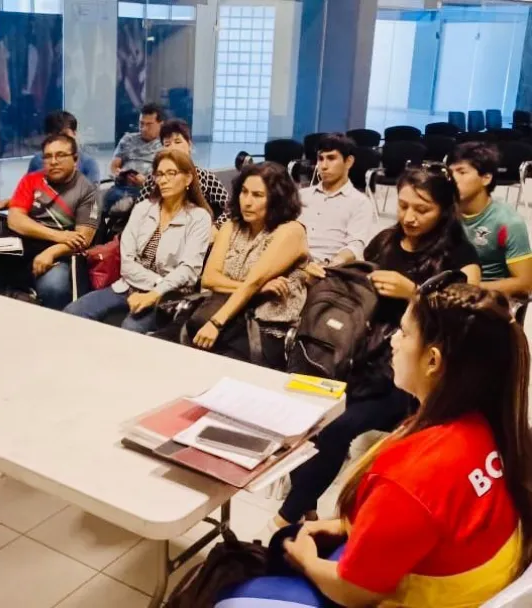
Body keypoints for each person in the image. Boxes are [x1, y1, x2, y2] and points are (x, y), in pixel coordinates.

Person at [228, 279, 532, 608]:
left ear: (433, 361)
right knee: (285, 540)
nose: (393, 342)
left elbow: (357, 592)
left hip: (407, 596)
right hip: (466, 583)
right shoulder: (490, 427)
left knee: (231, 595)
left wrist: (307, 561)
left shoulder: (412, 475)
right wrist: (348, 526)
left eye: (403, 332)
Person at [274, 165, 481, 530]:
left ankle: (283, 520)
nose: (409, 217)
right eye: (402, 206)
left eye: (422, 209)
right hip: (360, 356)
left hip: (410, 376)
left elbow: (468, 326)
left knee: (338, 426)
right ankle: (305, 508)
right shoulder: (384, 242)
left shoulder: (459, 256)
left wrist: (415, 294)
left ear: (445, 209)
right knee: (311, 415)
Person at [63, 149, 213, 333]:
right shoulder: (143, 208)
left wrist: (155, 293)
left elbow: (189, 269)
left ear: (188, 178)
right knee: (73, 312)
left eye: (171, 173)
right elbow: (127, 261)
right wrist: (156, 282)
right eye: (159, 174)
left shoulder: (199, 218)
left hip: (169, 296)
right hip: (128, 286)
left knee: (131, 328)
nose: (163, 180)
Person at [187, 162, 308, 369]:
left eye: (258, 195)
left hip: (266, 328)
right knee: (173, 344)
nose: (247, 202)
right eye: (244, 192)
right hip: (229, 316)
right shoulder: (231, 226)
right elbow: (210, 278)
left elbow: (253, 281)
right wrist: (260, 289)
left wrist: (216, 323)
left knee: (213, 366)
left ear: (277, 199)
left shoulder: (291, 231)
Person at [0, 134, 99, 310]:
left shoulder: (87, 191)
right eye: (48, 156)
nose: (53, 161)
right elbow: (15, 220)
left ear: (75, 159)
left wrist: (51, 252)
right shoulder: (32, 180)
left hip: (57, 253)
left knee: (54, 286)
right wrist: (58, 235)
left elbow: (83, 238)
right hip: (20, 245)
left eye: (60, 155)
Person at [450, 142, 532, 297]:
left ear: (486, 178)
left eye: (461, 172)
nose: (453, 179)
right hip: (446, 296)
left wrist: (469, 288)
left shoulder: (508, 222)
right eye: (451, 173)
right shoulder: (443, 213)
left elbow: (526, 283)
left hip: (488, 303)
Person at [0, 110, 100, 217]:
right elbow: (29, 195)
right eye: (55, 137)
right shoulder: (38, 161)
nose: (61, 142)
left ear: (75, 134)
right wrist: (9, 202)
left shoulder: (88, 164)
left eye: (66, 136)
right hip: (41, 218)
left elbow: (91, 202)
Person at [131, 118, 230, 226]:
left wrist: (216, 228)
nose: (173, 148)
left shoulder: (206, 177)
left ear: (189, 145)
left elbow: (231, 209)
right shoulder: (154, 179)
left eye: (177, 142)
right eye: (167, 144)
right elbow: (138, 214)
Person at [299, 133, 374, 272]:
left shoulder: (360, 203)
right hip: (295, 263)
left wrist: (334, 263)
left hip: (329, 268)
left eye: (331, 158)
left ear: (349, 162)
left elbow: (355, 245)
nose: (324, 166)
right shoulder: (301, 196)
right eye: (320, 159)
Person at [101, 102, 165, 217]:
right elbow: (114, 166)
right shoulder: (128, 139)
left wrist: (146, 182)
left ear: (161, 124)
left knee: (133, 202)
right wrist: (119, 174)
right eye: (141, 124)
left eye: (149, 124)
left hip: (147, 190)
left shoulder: (164, 145)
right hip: (122, 186)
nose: (144, 128)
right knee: (95, 205)